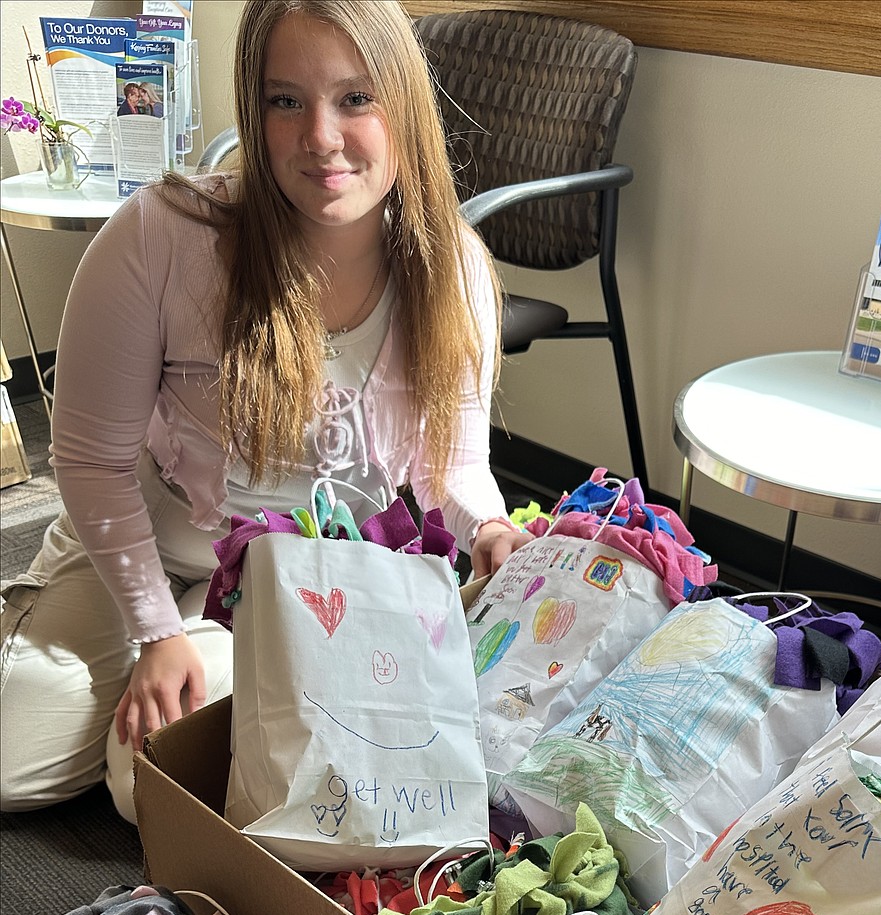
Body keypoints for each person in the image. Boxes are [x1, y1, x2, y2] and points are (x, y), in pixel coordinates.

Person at [0, 0, 528, 823]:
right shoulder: (161, 235)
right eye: (287, 101)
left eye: (356, 98)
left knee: (147, 784)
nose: (321, 137)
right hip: (147, 532)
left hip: (299, 576)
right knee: (11, 756)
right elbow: (92, 461)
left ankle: (187, 656)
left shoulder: (451, 267)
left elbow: (452, 468)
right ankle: (95, 619)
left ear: (404, 104)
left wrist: (490, 530)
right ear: (255, 105)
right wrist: (153, 629)